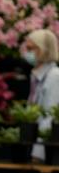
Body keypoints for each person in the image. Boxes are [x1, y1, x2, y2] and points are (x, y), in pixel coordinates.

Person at [22, 29, 59, 161]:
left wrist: (37, 154)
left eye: (30, 48)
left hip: (48, 153)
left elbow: (49, 117)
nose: (27, 53)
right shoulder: (37, 76)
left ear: (43, 50)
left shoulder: (54, 76)